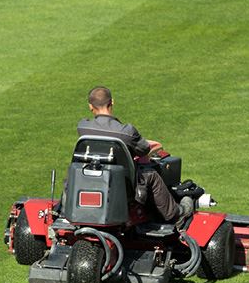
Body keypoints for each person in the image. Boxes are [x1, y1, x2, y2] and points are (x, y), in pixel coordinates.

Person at [77, 86, 192, 223]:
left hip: (91, 179)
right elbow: (144, 150)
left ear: (90, 106)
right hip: (122, 184)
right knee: (151, 175)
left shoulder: (83, 127)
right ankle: (174, 214)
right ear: (112, 102)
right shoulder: (127, 132)